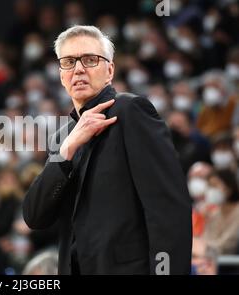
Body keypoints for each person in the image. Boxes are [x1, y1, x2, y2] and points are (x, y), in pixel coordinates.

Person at [23, 25, 192, 275]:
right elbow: (35, 216)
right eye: (69, 62)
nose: (78, 69)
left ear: (110, 70)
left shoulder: (131, 111)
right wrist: (67, 149)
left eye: (90, 60)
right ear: (61, 75)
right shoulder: (63, 137)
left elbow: (168, 208)